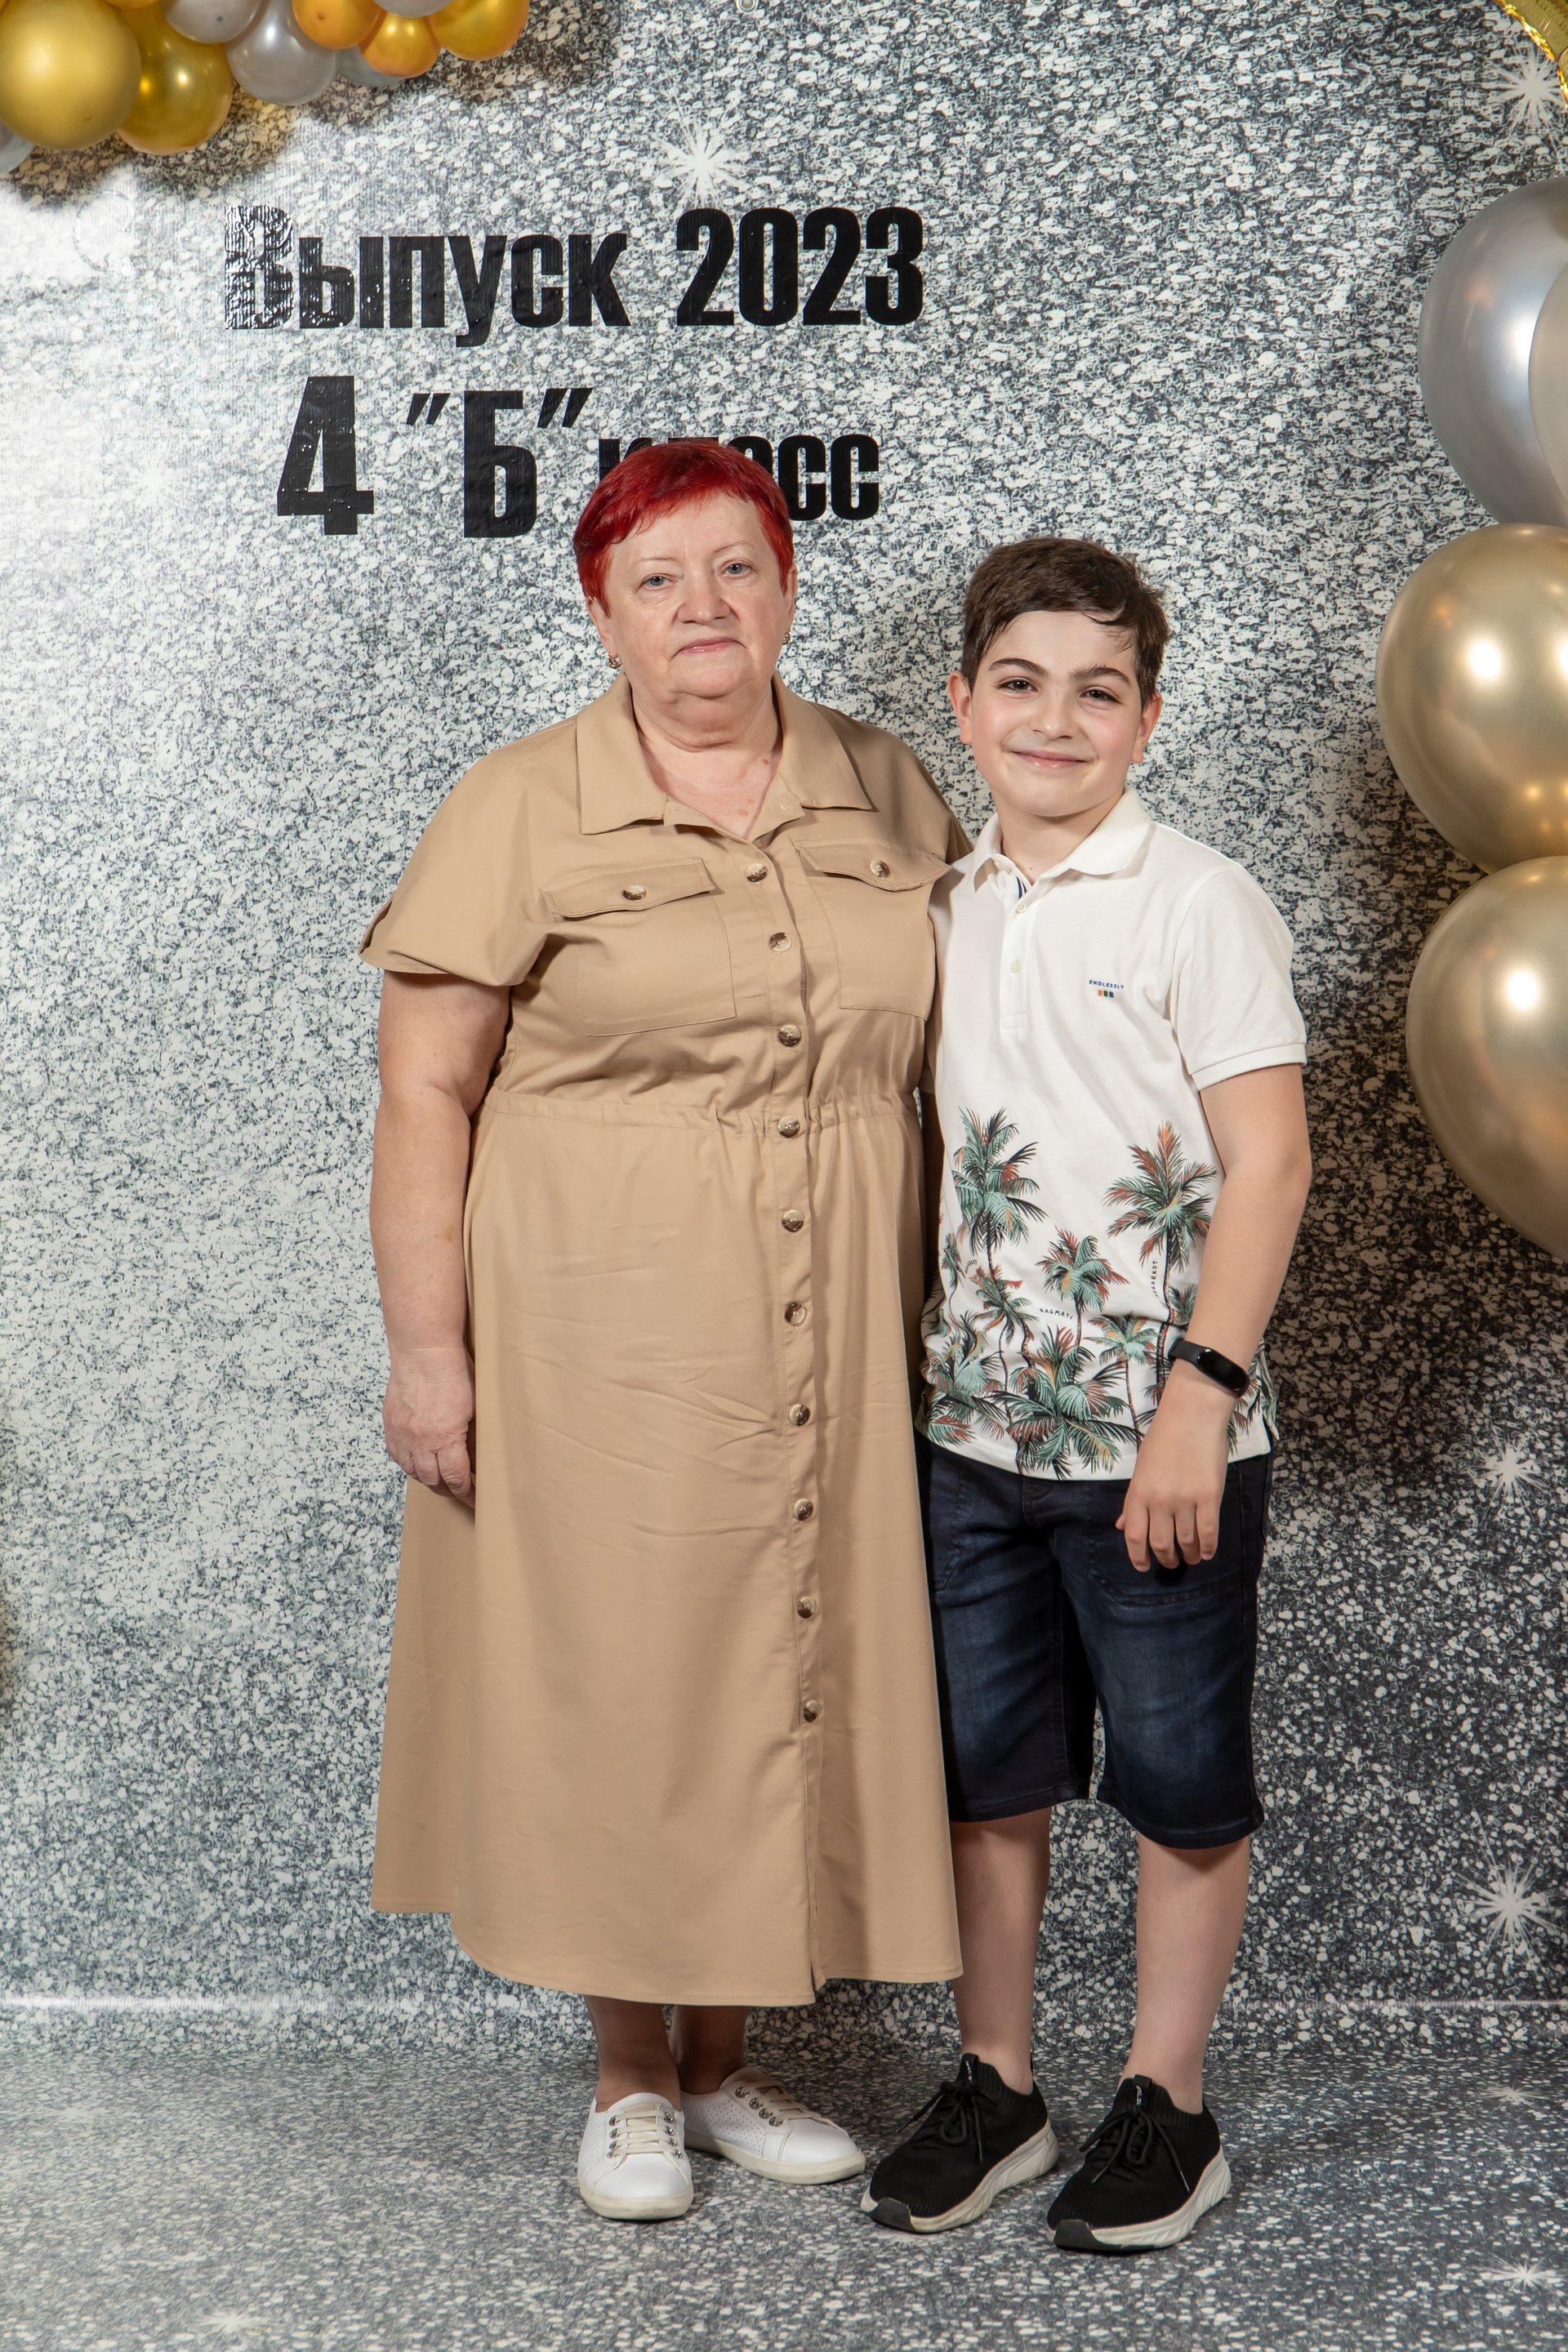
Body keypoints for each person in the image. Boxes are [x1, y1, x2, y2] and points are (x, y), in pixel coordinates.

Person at [360, 440, 967, 2223]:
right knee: (630, 1678)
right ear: (602, 612)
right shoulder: (517, 804)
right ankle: (630, 2075)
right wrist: (429, 1351)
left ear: (787, 586)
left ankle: (722, 2067)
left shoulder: (885, 782)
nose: (704, 608)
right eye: (658, 579)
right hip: (596, 1322)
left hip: (841, 1314)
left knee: (794, 1659)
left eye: (735, 568)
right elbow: (423, 1094)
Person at [863, 537, 1312, 2248]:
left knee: (1180, 1781)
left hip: (1162, 1444)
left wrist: (1200, 1397)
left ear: (1147, 718)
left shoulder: (1199, 901)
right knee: (989, 1775)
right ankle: (998, 2082)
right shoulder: (944, 900)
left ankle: (1165, 2104)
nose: (1057, 720)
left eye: (1098, 691)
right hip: (969, 1436)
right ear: (965, 703)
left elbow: (1270, 1164)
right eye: (1022, 684)